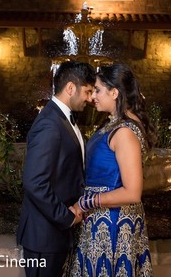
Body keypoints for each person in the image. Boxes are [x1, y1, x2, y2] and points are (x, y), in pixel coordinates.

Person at [68, 63, 154, 277]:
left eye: (97, 90)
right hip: (101, 220)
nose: (92, 96)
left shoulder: (124, 131)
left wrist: (84, 203)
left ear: (114, 92)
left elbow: (132, 192)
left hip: (114, 225)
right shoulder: (115, 123)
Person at [17, 60, 96, 277]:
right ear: (70, 88)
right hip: (44, 236)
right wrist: (66, 217)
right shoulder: (50, 124)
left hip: (55, 234)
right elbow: (34, 182)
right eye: (87, 91)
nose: (90, 98)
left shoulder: (64, 119)